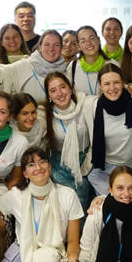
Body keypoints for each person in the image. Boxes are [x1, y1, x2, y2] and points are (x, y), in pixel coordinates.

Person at [0, 147, 84, 262]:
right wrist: (1, 226)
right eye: (31, 164)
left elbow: (73, 240)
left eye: (42, 161)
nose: (38, 167)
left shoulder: (67, 195)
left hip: (56, 254)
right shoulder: (16, 195)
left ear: (49, 167)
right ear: (25, 173)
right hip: (24, 257)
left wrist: (73, 261)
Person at [83, 64, 132, 196]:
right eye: (107, 84)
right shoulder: (92, 106)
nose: (112, 88)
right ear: (100, 85)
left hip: (131, 165)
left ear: (123, 83)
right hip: (104, 168)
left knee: (127, 200)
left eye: (116, 82)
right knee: (112, 202)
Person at [41, 72, 92, 209]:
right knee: (66, 206)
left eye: (62, 87)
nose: (60, 93)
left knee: (85, 204)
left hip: (86, 162)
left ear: (70, 88)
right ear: (49, 96)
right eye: (53, 90)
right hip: (60, 167)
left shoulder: (85, 104)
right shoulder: (45, 114)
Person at [4, 30, 67, 103]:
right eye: (47, 44)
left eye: (56, 45)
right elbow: (0, 72)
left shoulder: (67, 71)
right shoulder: (23, 66)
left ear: (61, 48)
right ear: (40, 47)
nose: (51, 49)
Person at [66, 25, 107, 96]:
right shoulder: (73, 66)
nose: (88, 43)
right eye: (83, 41)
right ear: (78, 46)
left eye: (91, 38)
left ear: (98, 40)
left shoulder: (111, 64)